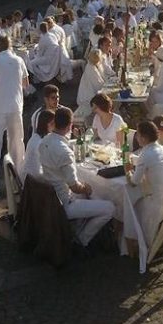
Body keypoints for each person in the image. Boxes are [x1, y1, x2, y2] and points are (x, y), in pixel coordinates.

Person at [40, 106, 115, 248]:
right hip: (64, 204)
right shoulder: (64, 152)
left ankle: (75, 230)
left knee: (89, 194)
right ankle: (81, 239)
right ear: (70, 126)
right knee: (110, 207)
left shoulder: (44, 141)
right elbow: (75, 187)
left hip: (50, 199)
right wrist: (87, 189)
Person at [0, 35, 29, 202]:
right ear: (10, 46)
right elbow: (26, 84)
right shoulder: (19, 60)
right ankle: (20, 183)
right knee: (17, 145)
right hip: (16, 107)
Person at [125, 120, 163, 247]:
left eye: (138, 135)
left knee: (132, 206)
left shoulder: (145, 154)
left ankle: (139, 241)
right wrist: (134, 160)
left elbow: (134, 182)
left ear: (144, 138)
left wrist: (128, 170)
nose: (136, 137)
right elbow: (149, 162)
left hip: (160, 203)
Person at [21, 108, 55, 182]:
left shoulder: (36, 137)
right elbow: (38, 174)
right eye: (52, 124)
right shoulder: (39, 143)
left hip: (31, 179)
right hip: (33, 184)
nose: (54, 126)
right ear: (44, 125)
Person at [75, 50, 107, 119]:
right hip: (88, 98)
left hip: (88, 95)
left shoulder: (93, 67)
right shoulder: (91, 69)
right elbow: (98, 85)